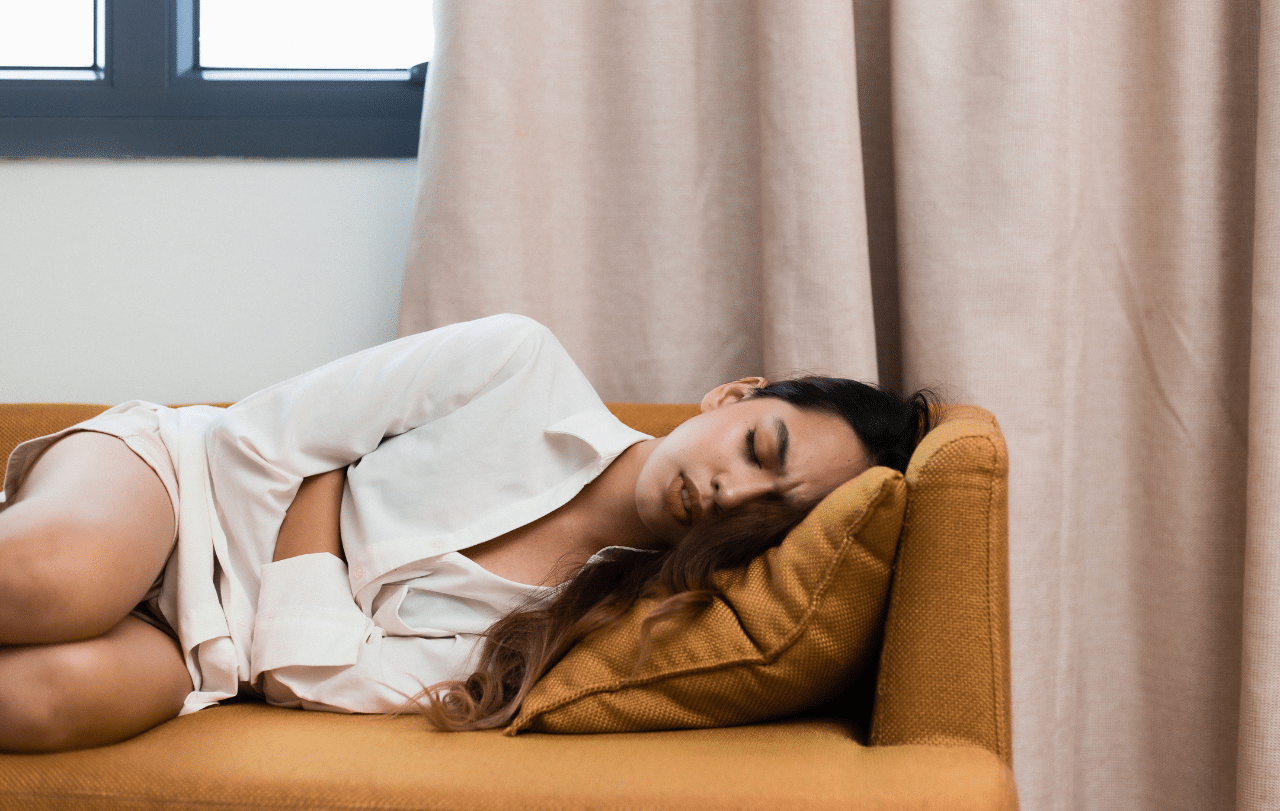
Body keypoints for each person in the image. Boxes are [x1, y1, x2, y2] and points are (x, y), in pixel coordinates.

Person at [0, 314, 933, 752]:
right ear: (733, 397)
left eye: (774, 513)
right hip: (178, 483)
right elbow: (263, 438)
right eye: (758, 447)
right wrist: (313, 580)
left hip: (208, 655)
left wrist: (327, 487)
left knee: (40, 700)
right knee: (56, 581)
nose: (734, 493)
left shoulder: (592, 623)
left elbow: (319, 683)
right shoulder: (514, 365)